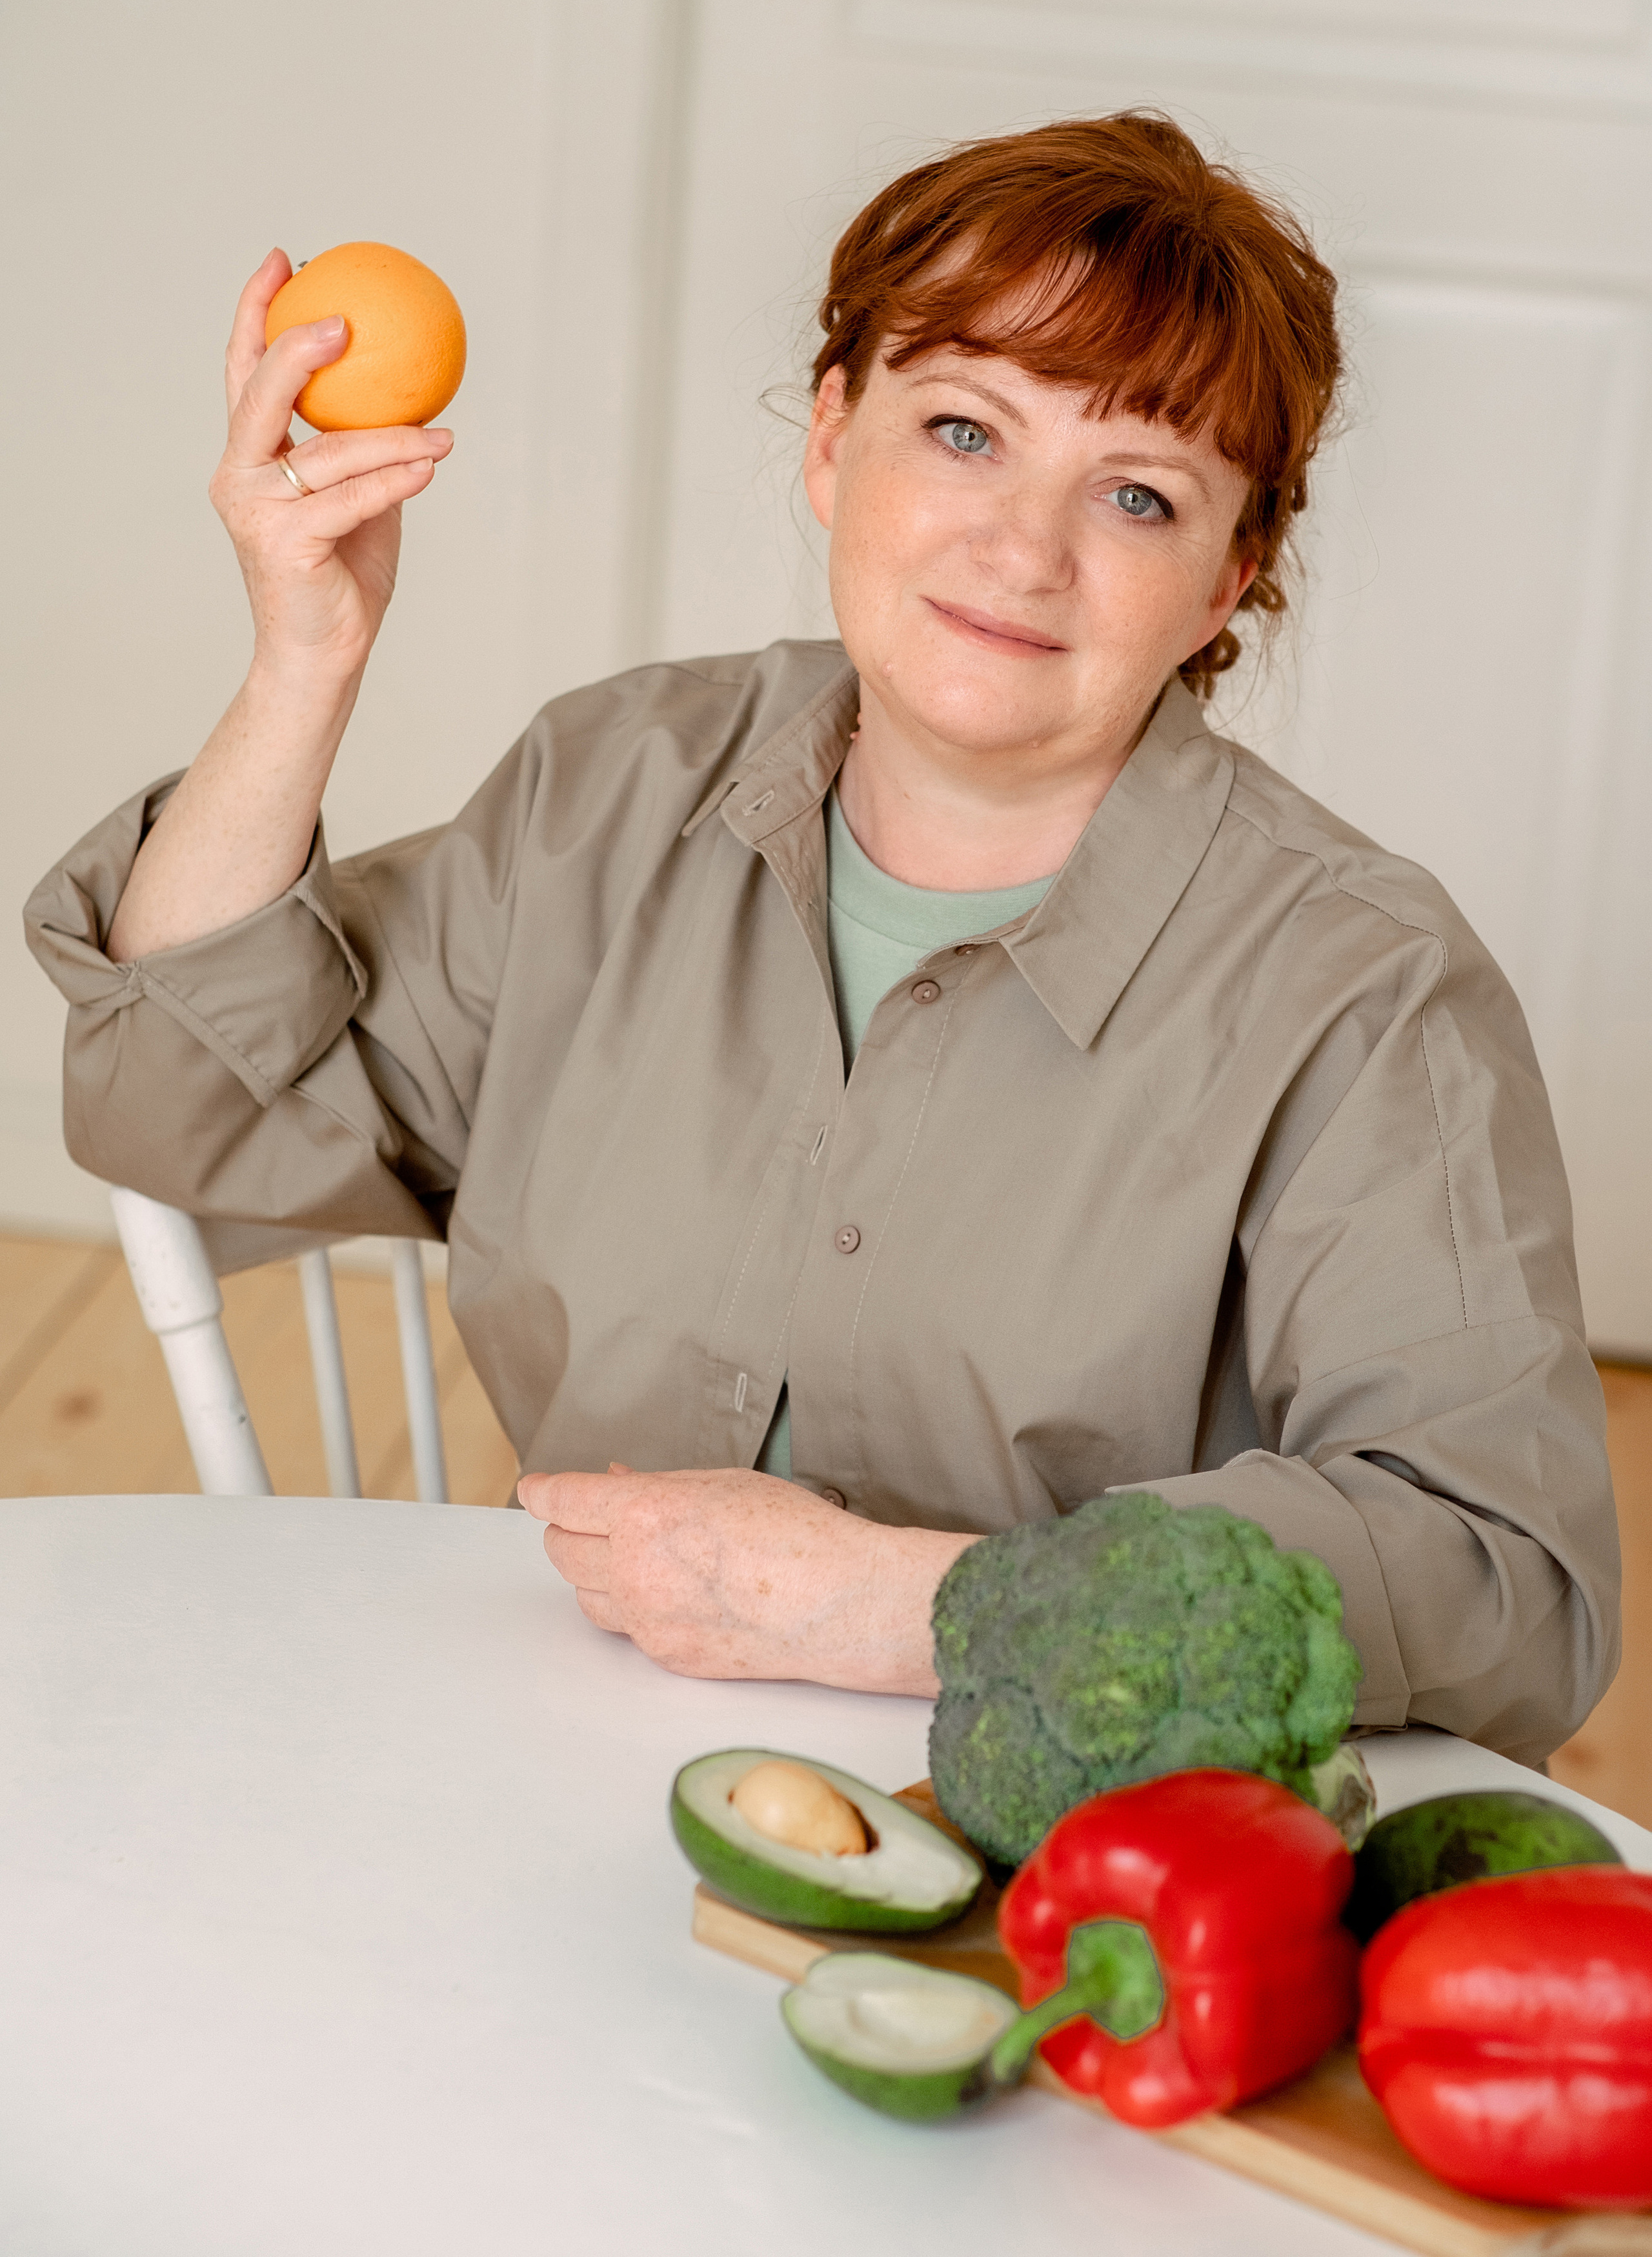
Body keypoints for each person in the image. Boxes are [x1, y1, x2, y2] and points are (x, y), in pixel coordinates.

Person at [26, 115, 1618, 1765]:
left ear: (1229, 578)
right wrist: (307, 657)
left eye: (1136, 495)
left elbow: (1507, 1582)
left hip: (1087, 1838)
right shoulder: (611, 792)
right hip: (563, 1746)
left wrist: (899, 1604)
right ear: (832, 434)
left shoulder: (1361, 991)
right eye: (961, 431)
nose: (1022, 550)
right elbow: (180, 1103)